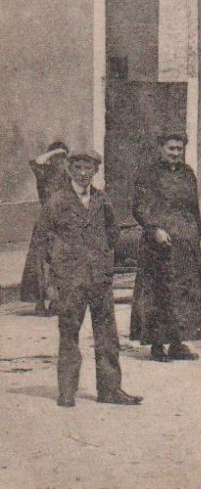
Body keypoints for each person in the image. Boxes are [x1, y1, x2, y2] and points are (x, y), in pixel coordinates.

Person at [39, 148, 141, 408]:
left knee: (107, 335)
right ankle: (67, 391)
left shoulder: (101, 199)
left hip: (99, 278)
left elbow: (113, 232)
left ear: (96, 171)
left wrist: (104, 259)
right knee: (69, 333)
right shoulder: (57, 200)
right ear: (69, 170)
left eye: (89, 168)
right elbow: (42, 241)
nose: (83, 173)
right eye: (78, 168)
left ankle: (110, 389)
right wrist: (51, 282)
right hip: (70, 280)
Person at [129, 132, 201, 362]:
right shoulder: (148, 174)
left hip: (185, 242)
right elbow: (140, 206)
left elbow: (194, 207)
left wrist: (199, 236)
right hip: (159, 244)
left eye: (179, 149)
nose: (175, 153)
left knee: (184, 293)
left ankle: (178, 343)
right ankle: (156, 345)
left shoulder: (187, 174)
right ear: (161, 148)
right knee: (159, 293)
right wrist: (154, 229)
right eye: (171, 148)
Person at [21, 140, 71, 314]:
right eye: (57, 158)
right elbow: (36, 162)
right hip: (45, 223)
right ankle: (40, 301)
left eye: (63, 158)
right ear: (52, 159)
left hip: (63, 224)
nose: (61, 161)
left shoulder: (69, 177)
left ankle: (56, 301)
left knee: (60, 262)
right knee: (40, 263)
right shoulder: (44, 173)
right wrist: (53, 152)